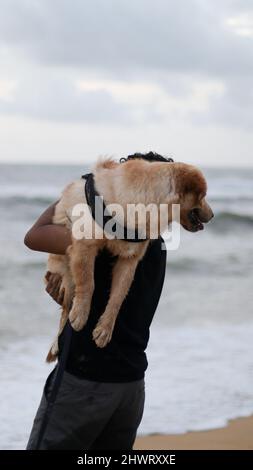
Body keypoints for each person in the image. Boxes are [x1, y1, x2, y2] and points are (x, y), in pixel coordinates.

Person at [24, 153, 168, 450]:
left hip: (84, 382)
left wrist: (85, 188)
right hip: (130, 386)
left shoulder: (101, 239)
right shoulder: (156, 245)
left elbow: (34, 235)